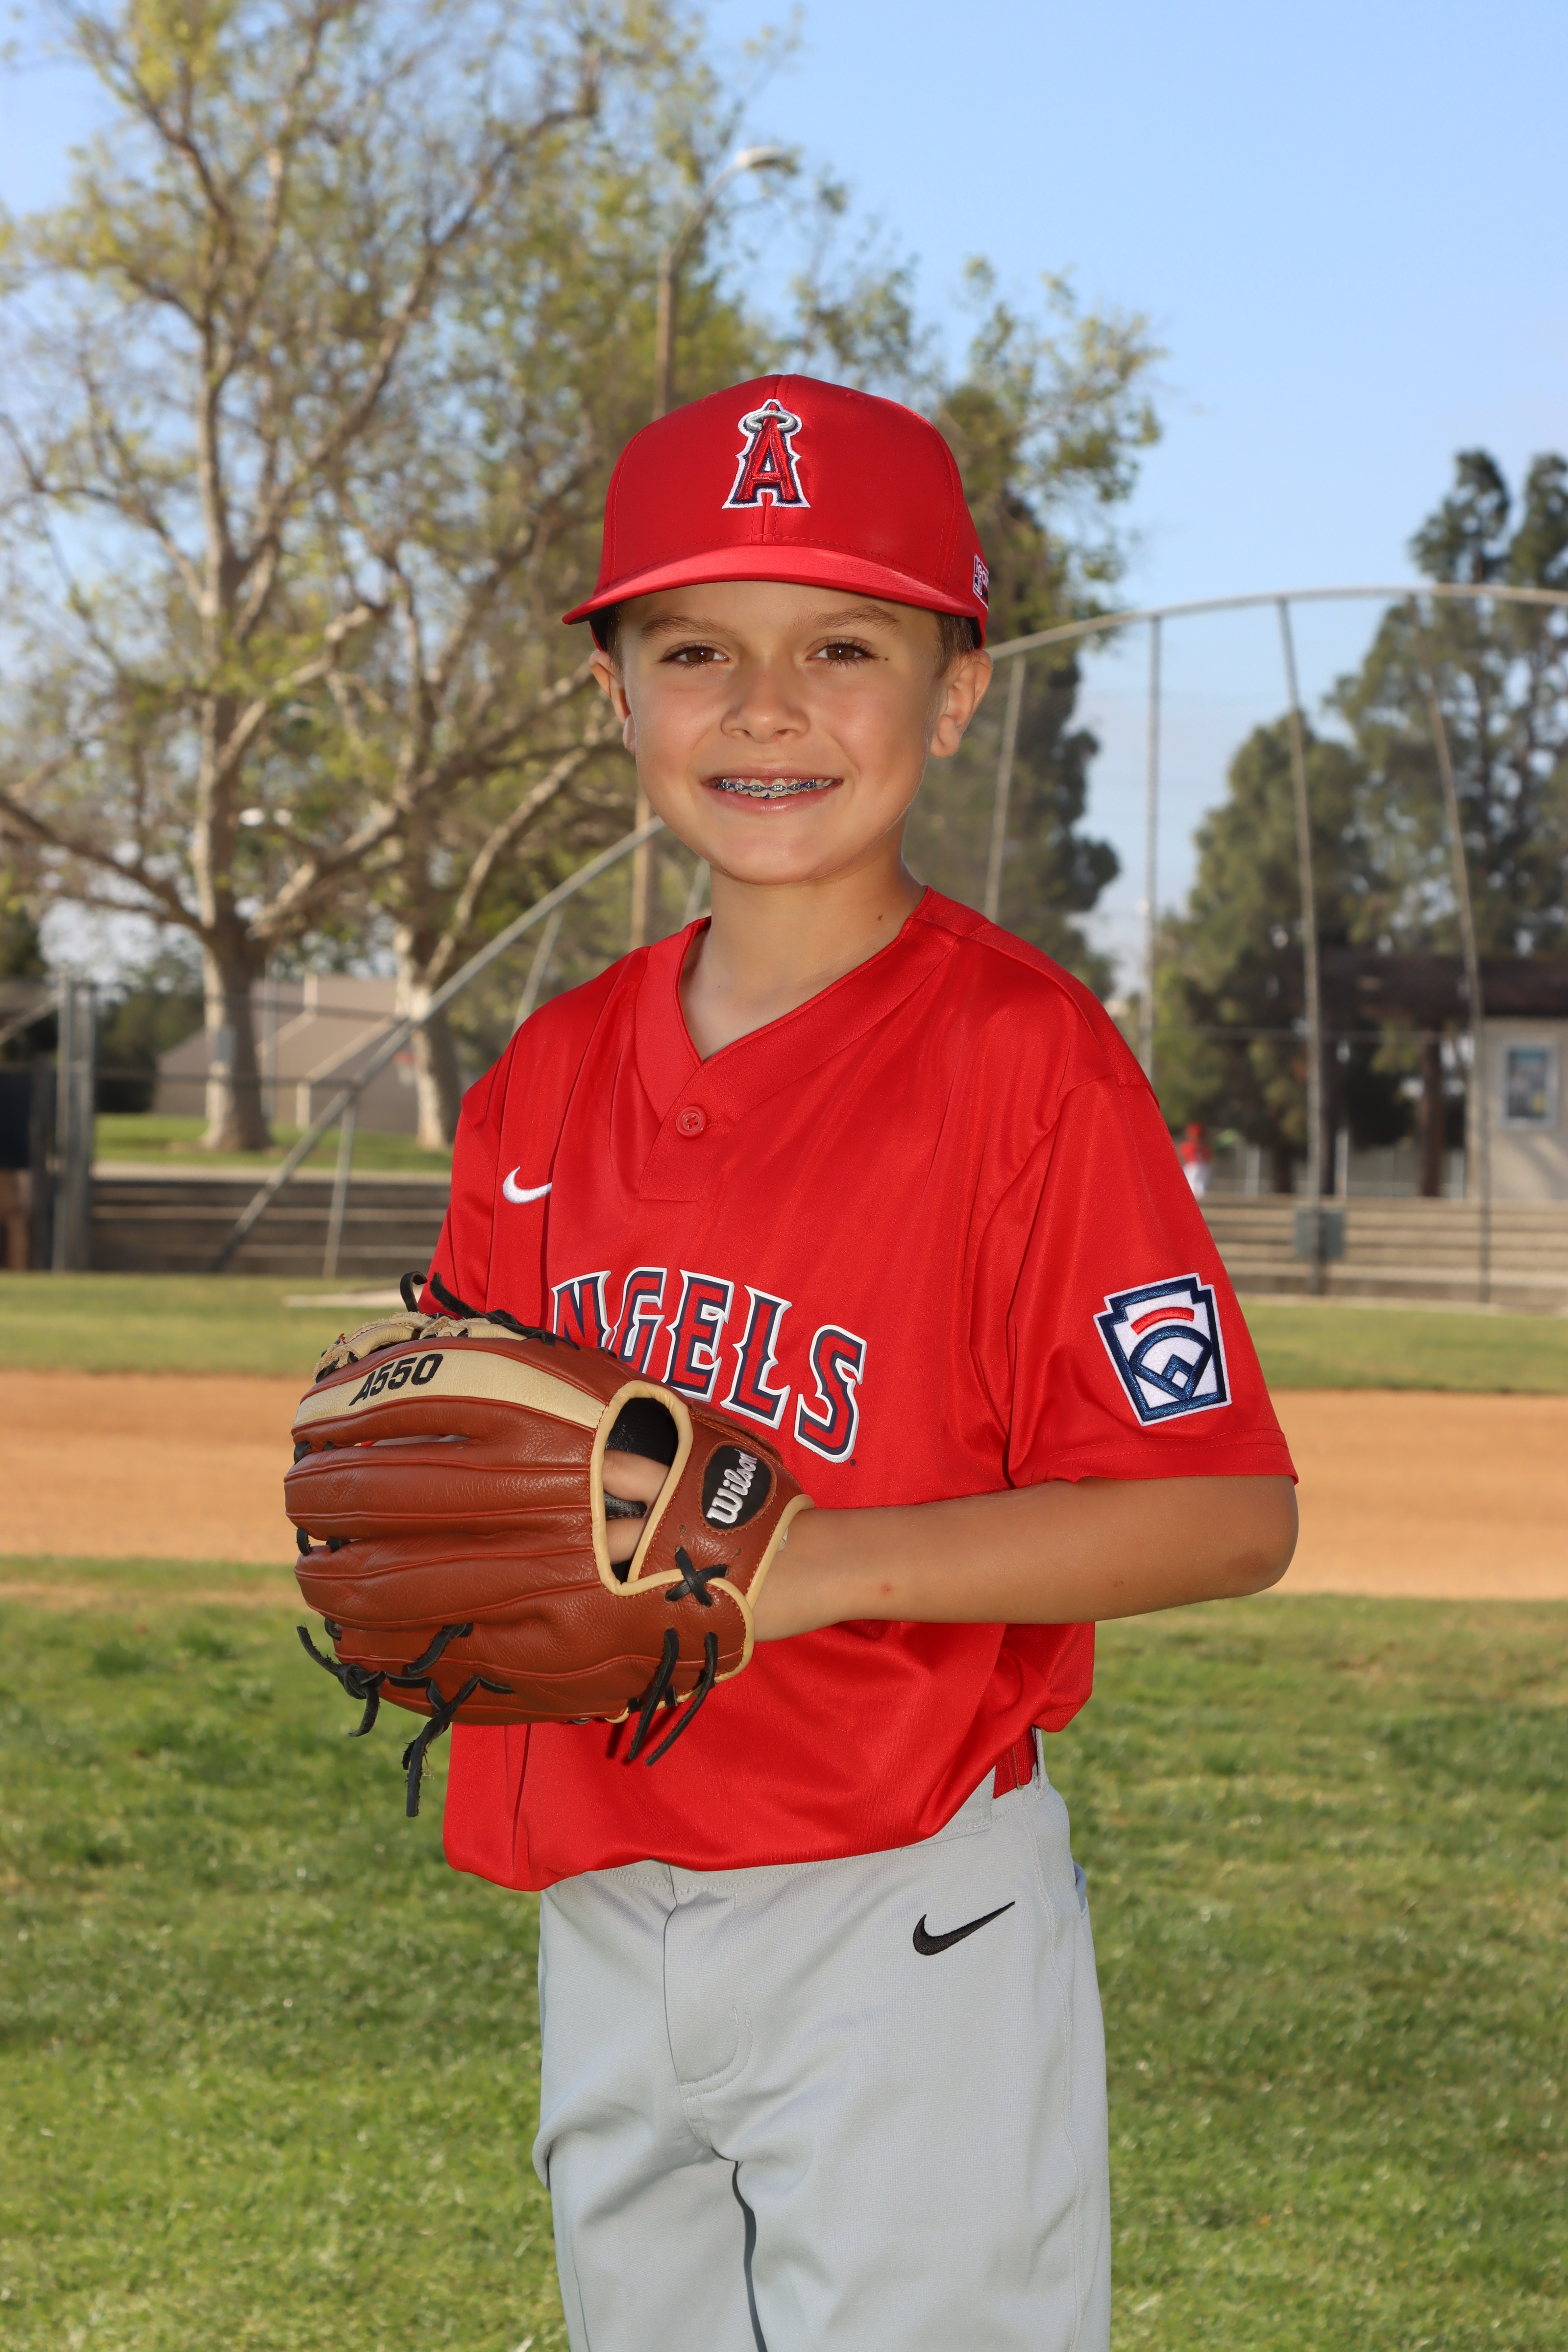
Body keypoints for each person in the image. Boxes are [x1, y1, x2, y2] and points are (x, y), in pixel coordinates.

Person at [423, 375, 1298, 2352]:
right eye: (694, 650)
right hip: (606, 1894)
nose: (764, 709)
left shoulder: (1024, 1064)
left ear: (955, 691)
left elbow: (1225, 1512)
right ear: (613, 695)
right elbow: (486, 1462)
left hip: (904, 1912)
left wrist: (812, 1564)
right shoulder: (545, 1075)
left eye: (841, 647)